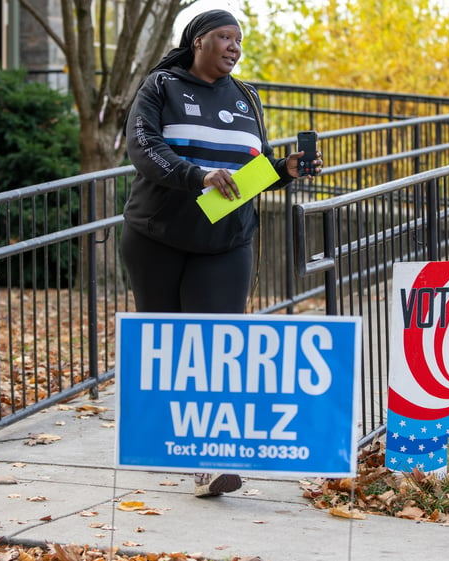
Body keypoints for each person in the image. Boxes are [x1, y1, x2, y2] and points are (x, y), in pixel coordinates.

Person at [121, 9, 323, 498]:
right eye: (224, 37)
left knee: (215, 348)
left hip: (227, 243)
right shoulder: (162, 86)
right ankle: (170, 436)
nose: (234, 46)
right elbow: (142, 147)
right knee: (169, 348)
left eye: (239, 39)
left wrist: (284, 169)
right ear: (198, 42)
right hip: (157, 237)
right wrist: (197, 175)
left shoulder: (246, 96)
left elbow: (246, 173)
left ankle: (208, 460)